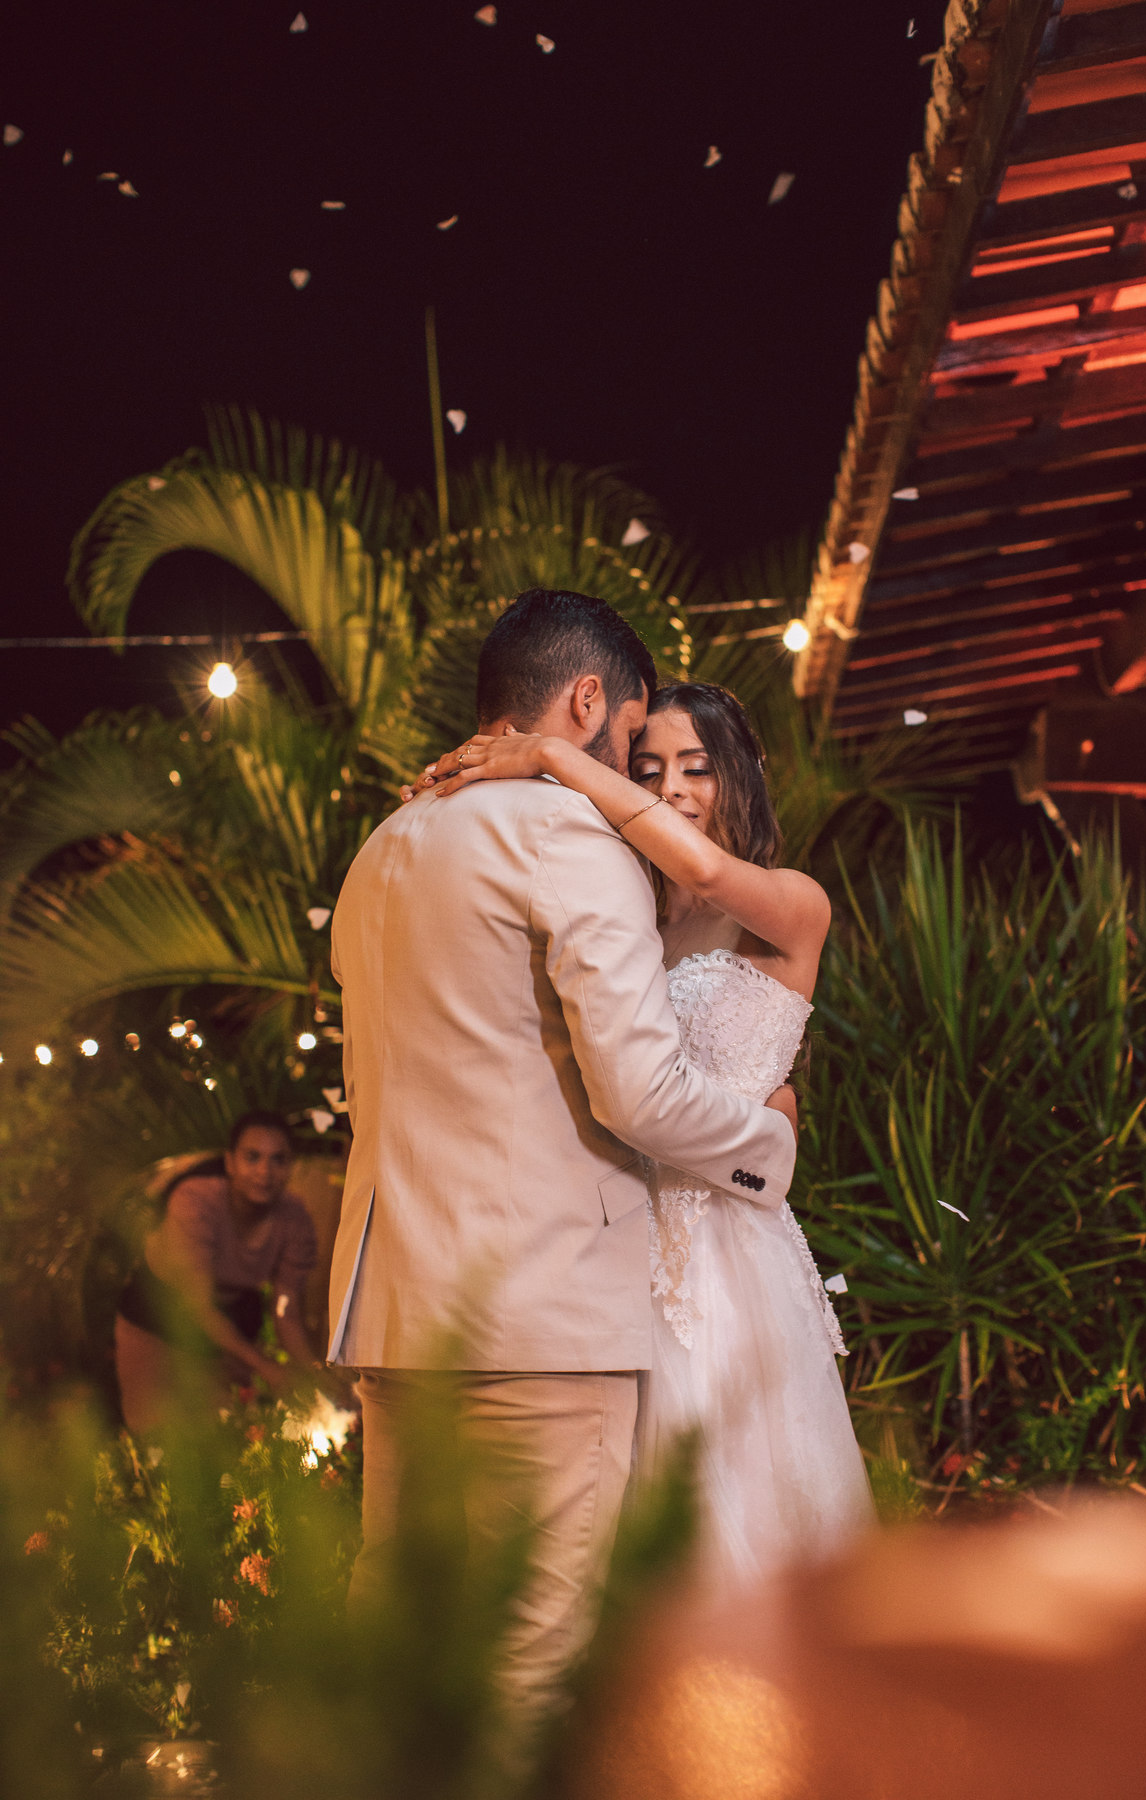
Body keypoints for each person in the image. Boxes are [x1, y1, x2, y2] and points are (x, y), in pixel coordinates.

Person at [326, 590, 798, 1728]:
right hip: (540, 1322)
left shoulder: (384, 848)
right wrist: (767, 1144)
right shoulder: (566, 838)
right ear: (589, 701)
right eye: (636, 744)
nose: (643, 781)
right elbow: (637, 1091)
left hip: (397, 1315)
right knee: (536, 1666)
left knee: (403, 1645)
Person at [420, 680, 873, 1585]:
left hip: (733, 1255)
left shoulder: (792, 902)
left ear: (744, 774)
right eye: (651, 767)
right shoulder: (631, 914)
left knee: (741, 1512)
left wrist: (551, 755)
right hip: (622, 1238)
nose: (672, 789)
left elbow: (705, 872)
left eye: (697, 769)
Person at [115, 1110, 321, 1431]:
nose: (265, 1171)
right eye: (252, 1157)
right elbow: (197, 1304)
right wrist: (266, 1367)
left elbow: (286, 1307)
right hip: (155, 1322)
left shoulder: (294, 1219)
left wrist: (311, 1372)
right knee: (155, 1437)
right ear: (230, 1162)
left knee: (222, 1435)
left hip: (222, 1331)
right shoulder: (196, 1201)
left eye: (278, 1159)